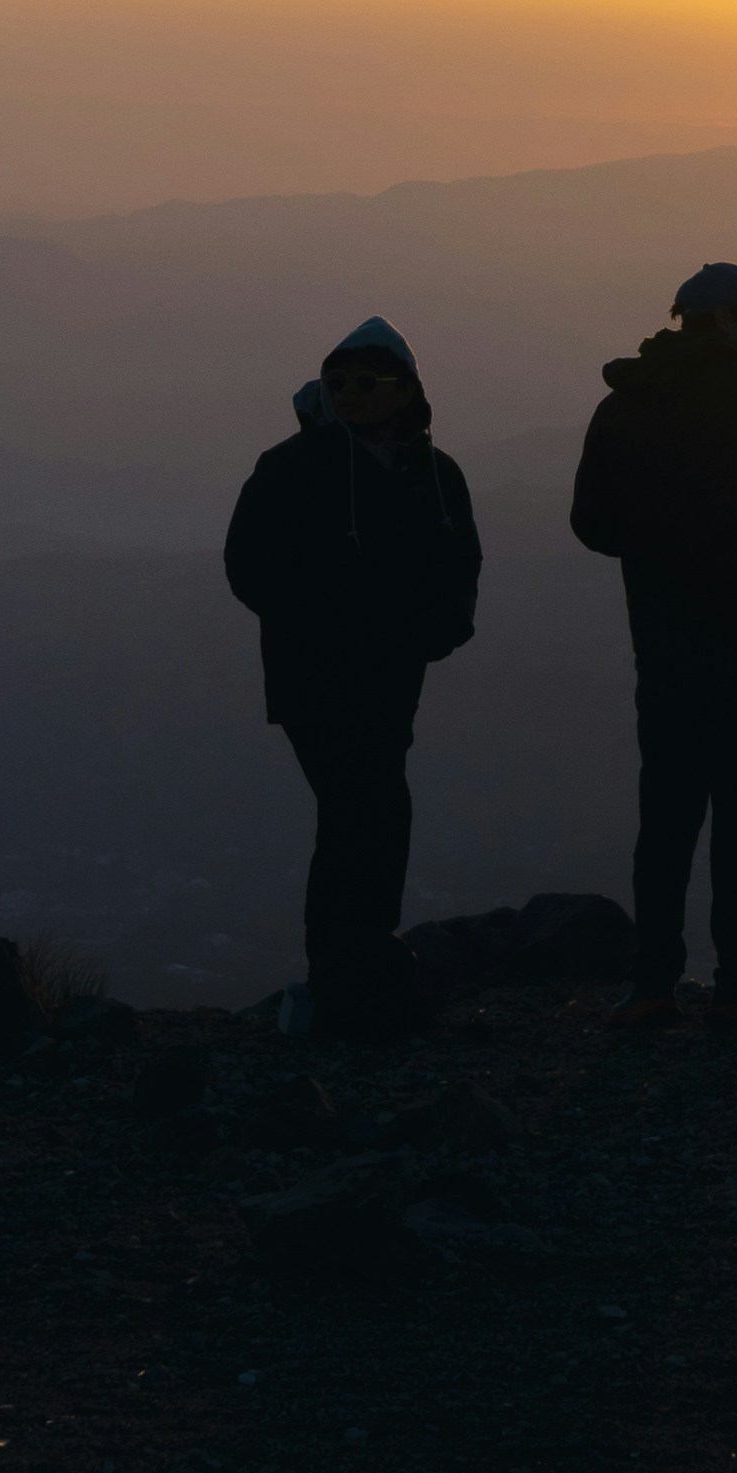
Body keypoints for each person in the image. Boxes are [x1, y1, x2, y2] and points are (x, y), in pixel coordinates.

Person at [569, 261, 737, 1030]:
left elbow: (591, 525)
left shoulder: (625, 405)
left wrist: (661, 549)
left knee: (667, 817)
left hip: (666, 644)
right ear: (728, 321)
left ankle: (653, 983)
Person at [218, 319, 480, 1038]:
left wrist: (441, 630)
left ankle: (356, 967)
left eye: (367, 383)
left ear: (406, 391)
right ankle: (348, 971)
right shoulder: (293, 466)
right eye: (339, 384)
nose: (351, 395)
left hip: (392, 676)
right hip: (318, 679)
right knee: (361, 810)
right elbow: (249, 565)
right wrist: (320, 618)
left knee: (370, 810)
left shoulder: (433, 472)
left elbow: (461, 564)